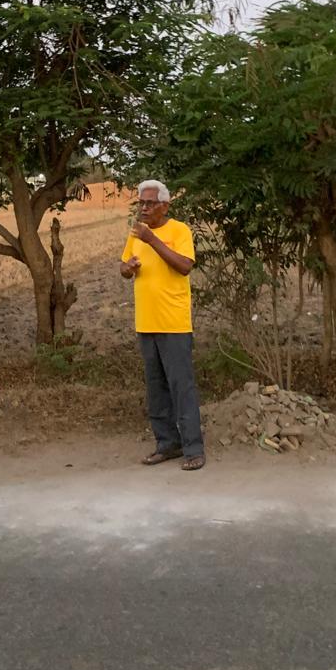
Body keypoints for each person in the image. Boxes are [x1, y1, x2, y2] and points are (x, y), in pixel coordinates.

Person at [120, 179, 205, 471]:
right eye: (141, 203)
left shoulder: (178, 230)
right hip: (146, 322)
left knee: (181, 387)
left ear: (165, 206)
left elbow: (184, 266)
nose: (143, 208)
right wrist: (128, 268)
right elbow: (123, 267)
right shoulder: (136, 233)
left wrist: (152, 240)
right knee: (156, 389)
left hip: (174, 323)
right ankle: (167, 444)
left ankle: (193, 448)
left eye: (150, 203)